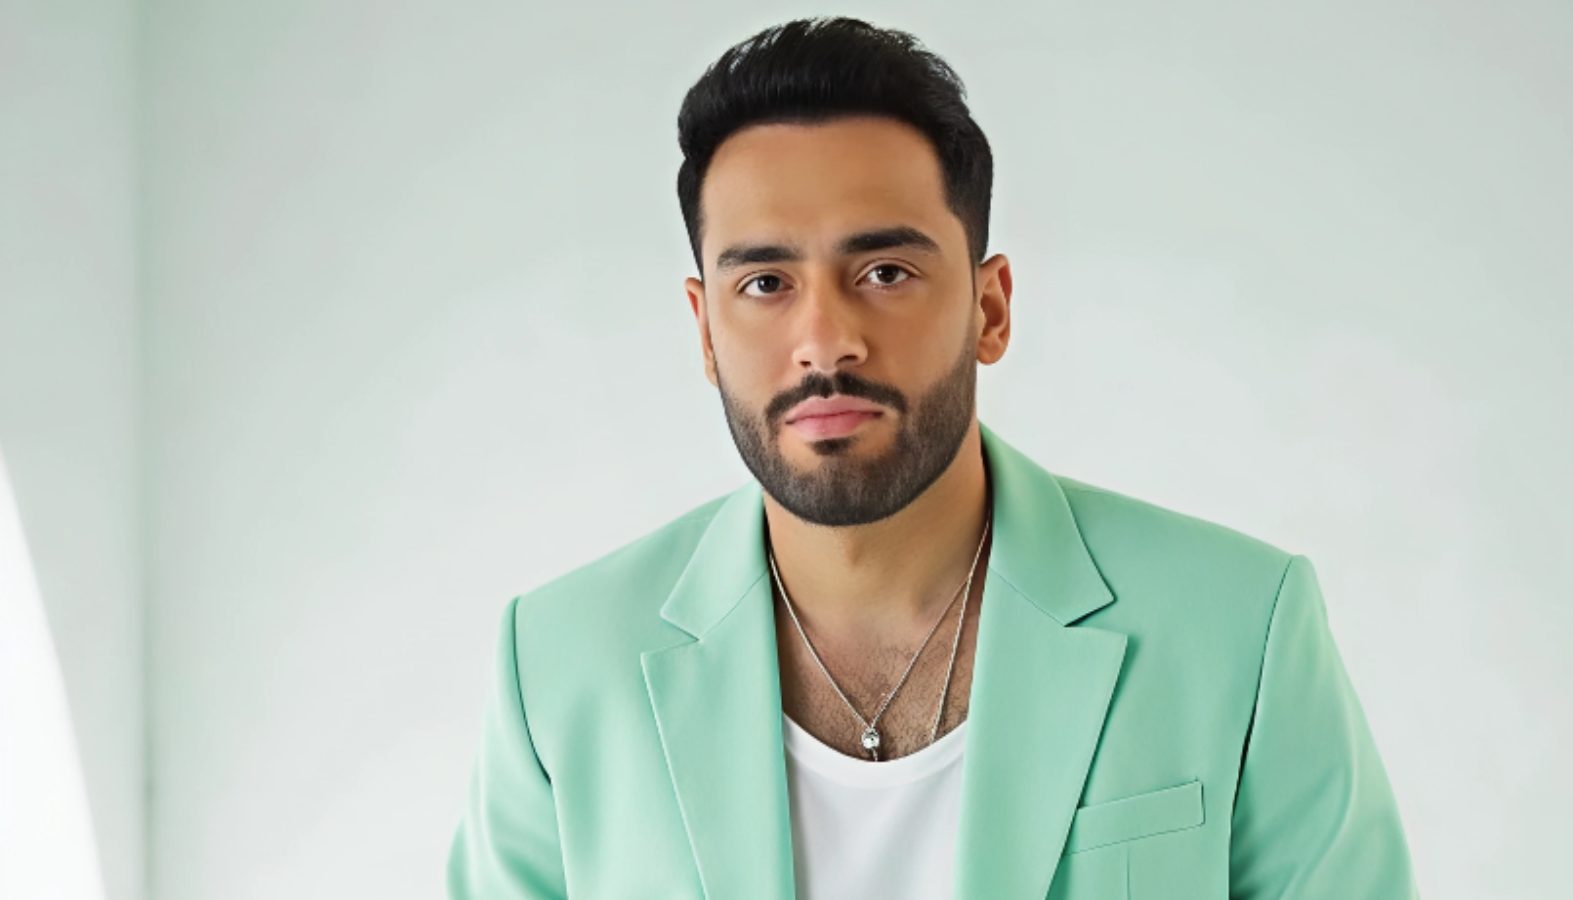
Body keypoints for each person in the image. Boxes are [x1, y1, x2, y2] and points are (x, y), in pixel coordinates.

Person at [446, 16, 1418, 899]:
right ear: (704, 330)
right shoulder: (562, 663)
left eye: (884, 271)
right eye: (767, 283)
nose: (825, 342)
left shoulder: (1238, 625)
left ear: (989, 308)